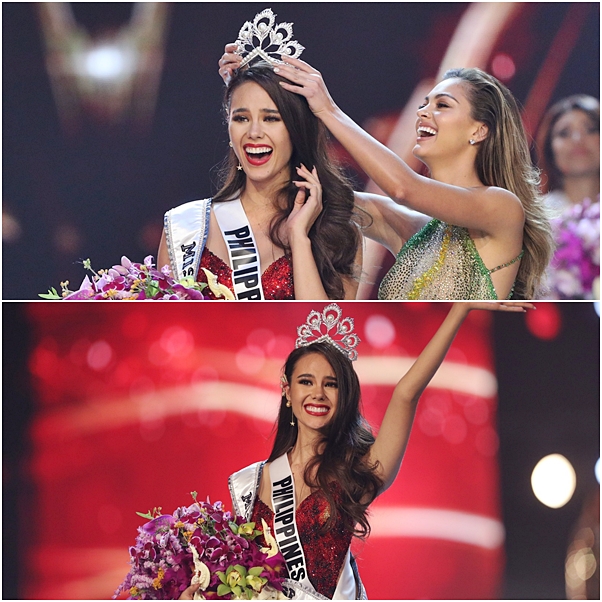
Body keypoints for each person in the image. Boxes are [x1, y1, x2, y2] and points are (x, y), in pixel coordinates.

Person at [181, 301, 534, 600]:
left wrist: (460, 310)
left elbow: (406, 394)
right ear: (286, 391)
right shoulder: (251, 482)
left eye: (330, 384)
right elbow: (237, 573)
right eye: (306, 382)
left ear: (344, 396)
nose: (317, 394)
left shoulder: (356, 475)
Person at [218, 50, 554, 300]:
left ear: (479, 130)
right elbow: (306, 193)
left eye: (442, 105)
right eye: (424, 103)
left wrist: (329, 109)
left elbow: (403, 188)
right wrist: (252, 88)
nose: (423, 111)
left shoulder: (503, 208)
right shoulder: (416, 229)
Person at [157, 62, 362, 300]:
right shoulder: (185, 226)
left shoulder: (336, 231)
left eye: (271, 119)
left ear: (296, 129)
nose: (254, 132)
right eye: (241, 118)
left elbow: (323, 333)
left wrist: (299, 238)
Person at [536, 95, 600, 299]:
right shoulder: (533, 218)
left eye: (590, 129)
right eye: (564, 133)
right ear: (550, 149)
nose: (577, 140)